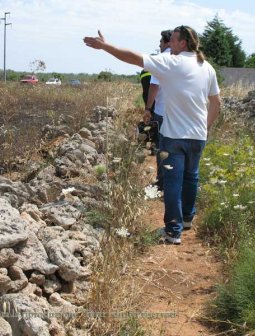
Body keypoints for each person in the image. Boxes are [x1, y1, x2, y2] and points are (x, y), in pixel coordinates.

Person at [84, 26, 221, 245]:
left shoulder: (171, 62)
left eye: (172, 41)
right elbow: (216, 104)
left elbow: (132, 57)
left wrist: (105, 46)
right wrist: (205, 128)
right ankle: (186, 219)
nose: (168, 45)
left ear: (182, 43)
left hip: (174, 135)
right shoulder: (207, 67)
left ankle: (173, 232)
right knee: (191, 176)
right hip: (198, 136)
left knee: (172, 181)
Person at [144, 30, 172, 187]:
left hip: (162, 112)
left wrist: (148, 108)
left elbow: (154, 86)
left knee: (162, 147)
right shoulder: (181, 59)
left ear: (168, 42)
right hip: (179, 113)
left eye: (161, 41)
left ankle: (162, 182)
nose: (159, 44)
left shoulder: (160, 60)